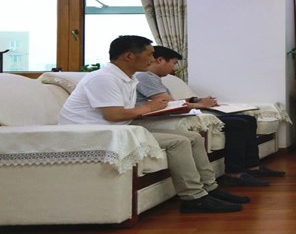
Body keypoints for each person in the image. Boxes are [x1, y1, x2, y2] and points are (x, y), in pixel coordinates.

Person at [58, 35, 247, 213]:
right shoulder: (103, 78)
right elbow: (113, 115)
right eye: (149, 54)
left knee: (193, 137)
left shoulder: (128, 78)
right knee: (179, 142)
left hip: (121, 128)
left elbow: (125, 113)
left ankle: (210, 188)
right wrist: (149, 107)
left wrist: (160, 109)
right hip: (97, 133)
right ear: (129, 56)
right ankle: (193, 198)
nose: (152, 59)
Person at [135, 46, 285, 187]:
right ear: (160, 60)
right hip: (166, 119)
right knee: (238, 123)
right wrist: (202, 105)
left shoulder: (153, 77)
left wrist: (196, 100)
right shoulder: (145, 77)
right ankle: (234, 173)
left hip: (174, 115)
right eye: (173, 63)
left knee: (248, 119)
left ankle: (253, 166)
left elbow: (170, 101)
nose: (173, 68)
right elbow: (169, 105)